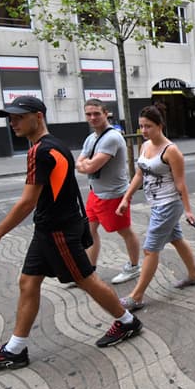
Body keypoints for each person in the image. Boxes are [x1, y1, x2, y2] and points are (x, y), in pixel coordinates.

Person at [0, 96, 143, 369]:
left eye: (18, 117)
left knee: (87, 280)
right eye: (10, 118)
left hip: (57, 231)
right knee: (28, 282)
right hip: (49, 229)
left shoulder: (39, 151)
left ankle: (127, 322)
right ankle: (16, 348)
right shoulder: (55, 145)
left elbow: (27, 201)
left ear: (38, 116)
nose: (12, 123)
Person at [115, 105, 195, 311]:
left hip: (169, 204)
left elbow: (181, 183)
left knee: (150, 249)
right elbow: (139, 174)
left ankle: (136, 297)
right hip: (155, 204)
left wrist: (188, 210)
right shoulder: (144, 146)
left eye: (149, 126)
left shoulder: (171, 151)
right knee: (176, 239)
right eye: (141, 127)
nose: (144, 131)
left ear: (160, 125)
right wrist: (126, 198)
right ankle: (194, 275)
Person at [76, 99, 142, 284]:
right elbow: (79, 163)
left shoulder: (111, 137)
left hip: (113, 195)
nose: (92, 117)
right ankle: (89, 269)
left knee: (124, 231)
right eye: (89, 114)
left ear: (106, 113)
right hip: (95, 193)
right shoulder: (92, 138)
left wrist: (85, 165)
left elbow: (89, 166)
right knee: (90, 231)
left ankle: (134, 267)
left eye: (97, 113)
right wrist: (84, 164)